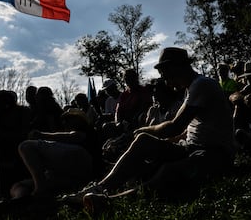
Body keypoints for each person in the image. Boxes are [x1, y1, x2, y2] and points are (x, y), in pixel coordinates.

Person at [64, 47, 235, 210]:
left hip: (215, 153)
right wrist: (155, 142)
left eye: (165, 73)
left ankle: (110, 201)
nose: (165, 81)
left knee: (167, 170)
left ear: (176, 67)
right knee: (144, 142)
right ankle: (99, 188)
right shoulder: (191, 88)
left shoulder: (202, 85)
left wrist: (143, 130)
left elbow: (174, 127)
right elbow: (186, 131)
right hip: (191, 148)